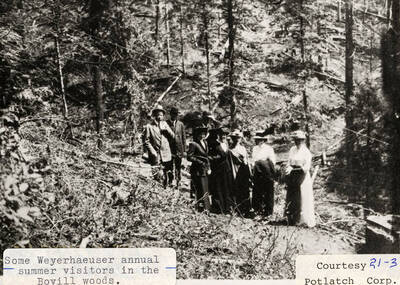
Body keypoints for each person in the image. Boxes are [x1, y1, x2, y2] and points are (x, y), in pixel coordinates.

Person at [285, 130, 316, 228]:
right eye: (296, 140)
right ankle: (292, 218)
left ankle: (302, 219)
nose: (297, 142)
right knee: (292, 195)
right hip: (293, 176)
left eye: (299, 140)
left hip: (301, 175)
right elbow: (289, 162)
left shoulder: (306, 151)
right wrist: (289, 167)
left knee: (302, 196)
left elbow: (306, 167)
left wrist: (297, 168)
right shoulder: (292, 149)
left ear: (303, 140)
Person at [143, 104, 175, 188]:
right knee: (157, 173)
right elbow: (146, 141)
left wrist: (167, 130)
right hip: (156, 154)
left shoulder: (165, 124)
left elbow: (173, 136)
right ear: (154, 115)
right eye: (158, 114)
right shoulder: (149, 127)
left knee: (167, 173)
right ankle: (157, 190)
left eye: (161, 115)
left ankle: (166, 188)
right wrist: (152, 151)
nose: (160, 117)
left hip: (166, 153)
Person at [250, 131, 276, 217]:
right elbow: (253, 160)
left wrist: (264, 164)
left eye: (260, 140)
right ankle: (258, 210)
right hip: (257, 172)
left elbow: (272, 162)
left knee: (268, 192)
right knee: (257, 191)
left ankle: (268, 212)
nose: (258, 141)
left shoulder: (269, 149)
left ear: (263, 140)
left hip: (266, 172)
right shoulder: (255, 148)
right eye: (257, 140)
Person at [207, 128, 232, 214]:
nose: (223, 136)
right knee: (217, 188)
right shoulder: (215, 144)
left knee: (226, 188)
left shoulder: (227, 144)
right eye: (222, 135)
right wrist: (216, 158)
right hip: (217, 169)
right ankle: (218, 208)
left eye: (225, 135)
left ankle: (227, 208)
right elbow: (210, 156)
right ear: (219, 136)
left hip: (226, 169)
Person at [187, 126, 211, 212]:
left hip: (204, 169)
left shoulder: (205, 143)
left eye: (204, 133)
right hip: (197, 169)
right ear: (197, 135)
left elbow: (206, 155)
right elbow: (189, 157)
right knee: (198, 188)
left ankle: (206, 208)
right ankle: (198, 207)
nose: (202, 135)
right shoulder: (193, 144)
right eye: (201, 134)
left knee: (204, 187)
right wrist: (200, 162)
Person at [227, 129, 251, 215]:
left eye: (238, 138)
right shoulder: (230, 149)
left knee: (244, 188)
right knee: (234, 187)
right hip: (234, 169)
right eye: (235, 138)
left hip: (243, 170)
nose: (237, 140)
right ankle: (235, 208)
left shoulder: (243, 148)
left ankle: (245, 208)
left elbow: (246, 160)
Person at [167, 107, 186, 187]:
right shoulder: (166, 123)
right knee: (169, 165)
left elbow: (183, 137)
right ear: (170, 114)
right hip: (169, 149)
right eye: (173, 114)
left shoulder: (180, 124)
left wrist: (184, 150)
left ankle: (178, 181)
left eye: (176, 114)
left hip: (179, 149)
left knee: (178, 166)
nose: (175, 116)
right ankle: (170, 181)